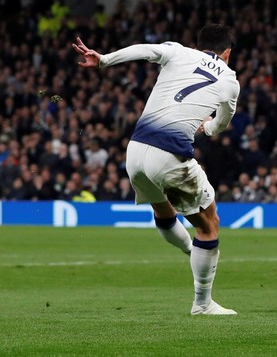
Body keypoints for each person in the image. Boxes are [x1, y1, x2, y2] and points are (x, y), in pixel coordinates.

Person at [72, 23, 241, 316]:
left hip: (135, 150)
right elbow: (222, 122)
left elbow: (144, 50)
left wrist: (105, 59)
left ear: (199, 44)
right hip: (170, 154)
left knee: (163, 210)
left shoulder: (178, 51)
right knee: (209, 222)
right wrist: (208, 129)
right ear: (227, 52)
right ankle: (202, 303)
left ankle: (192, 251)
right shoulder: (229, 79)